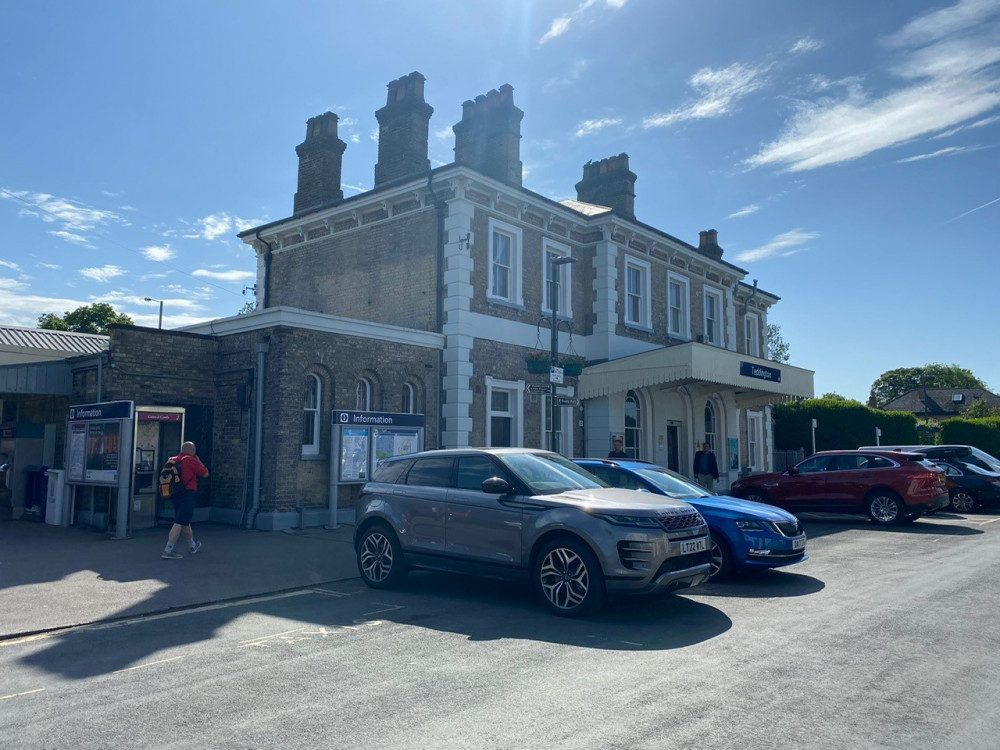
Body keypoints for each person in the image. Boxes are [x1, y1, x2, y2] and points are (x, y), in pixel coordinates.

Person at [161, 441, 210, 560]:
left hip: (176, 494)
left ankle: (192, 546)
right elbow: (205, 473)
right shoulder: (191, 461)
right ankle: (168, 549)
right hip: (188, 494)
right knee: (179, 521)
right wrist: (198, 461)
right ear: (192, 451)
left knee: (184, 521)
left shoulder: (173, 459)